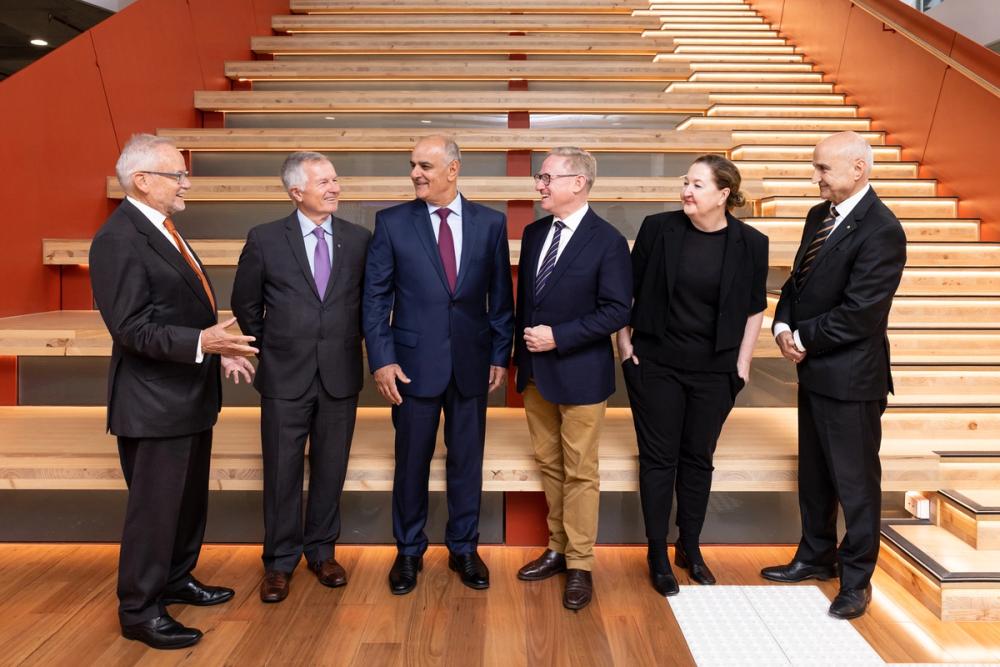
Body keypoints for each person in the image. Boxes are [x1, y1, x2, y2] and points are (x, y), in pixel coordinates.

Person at [89, 134, 257, 650]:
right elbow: (131, 329)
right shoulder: (119, 238)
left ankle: (177, 579)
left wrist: (216, 350)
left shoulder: (161, 228)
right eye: (177, 175)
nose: (187, 183)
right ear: (142, 181)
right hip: (153, 403)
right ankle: (140, 610)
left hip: (187, 396)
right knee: (155, 512)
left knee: (186, 504)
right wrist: (203, 342)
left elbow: (179, 310)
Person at [761, 131, 907, 620]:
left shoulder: (882, 229)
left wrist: (802, 338)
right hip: (815, 372)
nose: (815, 177)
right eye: (816, 167)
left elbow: (861, 313)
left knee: (855, 485)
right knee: (816, 474)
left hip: (852, 379)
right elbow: (797, 283)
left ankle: (857, 580)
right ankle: (815, 556)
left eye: (823, 168)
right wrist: (782, 325)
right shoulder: (818, 216)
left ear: (858, 169)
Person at [362, 135, 514, 595]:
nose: (415, 174)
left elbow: (500, 299)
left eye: (425, 166)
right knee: (411, 462)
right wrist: (382, 360)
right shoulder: (391, 222)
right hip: (410, 366)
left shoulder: (491, 223)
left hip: (472, 363)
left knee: (467, 461)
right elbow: (375, 300)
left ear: (453, 169)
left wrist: (500, 354)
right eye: (412, 165)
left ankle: (464, 548)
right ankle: (408, 551)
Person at [617, 155, 768, 596]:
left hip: (715, 371)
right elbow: (625, 292)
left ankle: (690, 546)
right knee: (659, 460)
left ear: (724, 194)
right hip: (656, 365)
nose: (686, 191)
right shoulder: (657, 229)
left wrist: (743, 364)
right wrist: (625, 347)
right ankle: (656, 552)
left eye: (697, 185)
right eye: (686, 182)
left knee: (698, 459)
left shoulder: (751, 243)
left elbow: (754, 309)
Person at [231, 152, 371, 603]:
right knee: (281, 471)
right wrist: (273, 350)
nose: (335, 187)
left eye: (335, 179)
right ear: (296, 191)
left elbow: (369, 304)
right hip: (284, 377)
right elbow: (246, 305)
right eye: (324, 181)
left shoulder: (359, 240)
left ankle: (322, 553)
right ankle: (279, 562)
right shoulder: (265, 239)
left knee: (331, 469)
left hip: (340, 375)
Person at [513, 147, 632, 611]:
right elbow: (527, 304)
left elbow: (617, 310)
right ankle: (558, 548)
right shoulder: (534, 232)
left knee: (581, 470)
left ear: (578, 183)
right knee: (549, 463)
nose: (539, 185)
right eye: (539, 177)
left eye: (547, 177)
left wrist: (558, 337)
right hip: (535, 373)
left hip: (581, 374)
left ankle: (580, 564)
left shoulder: (608, 241)